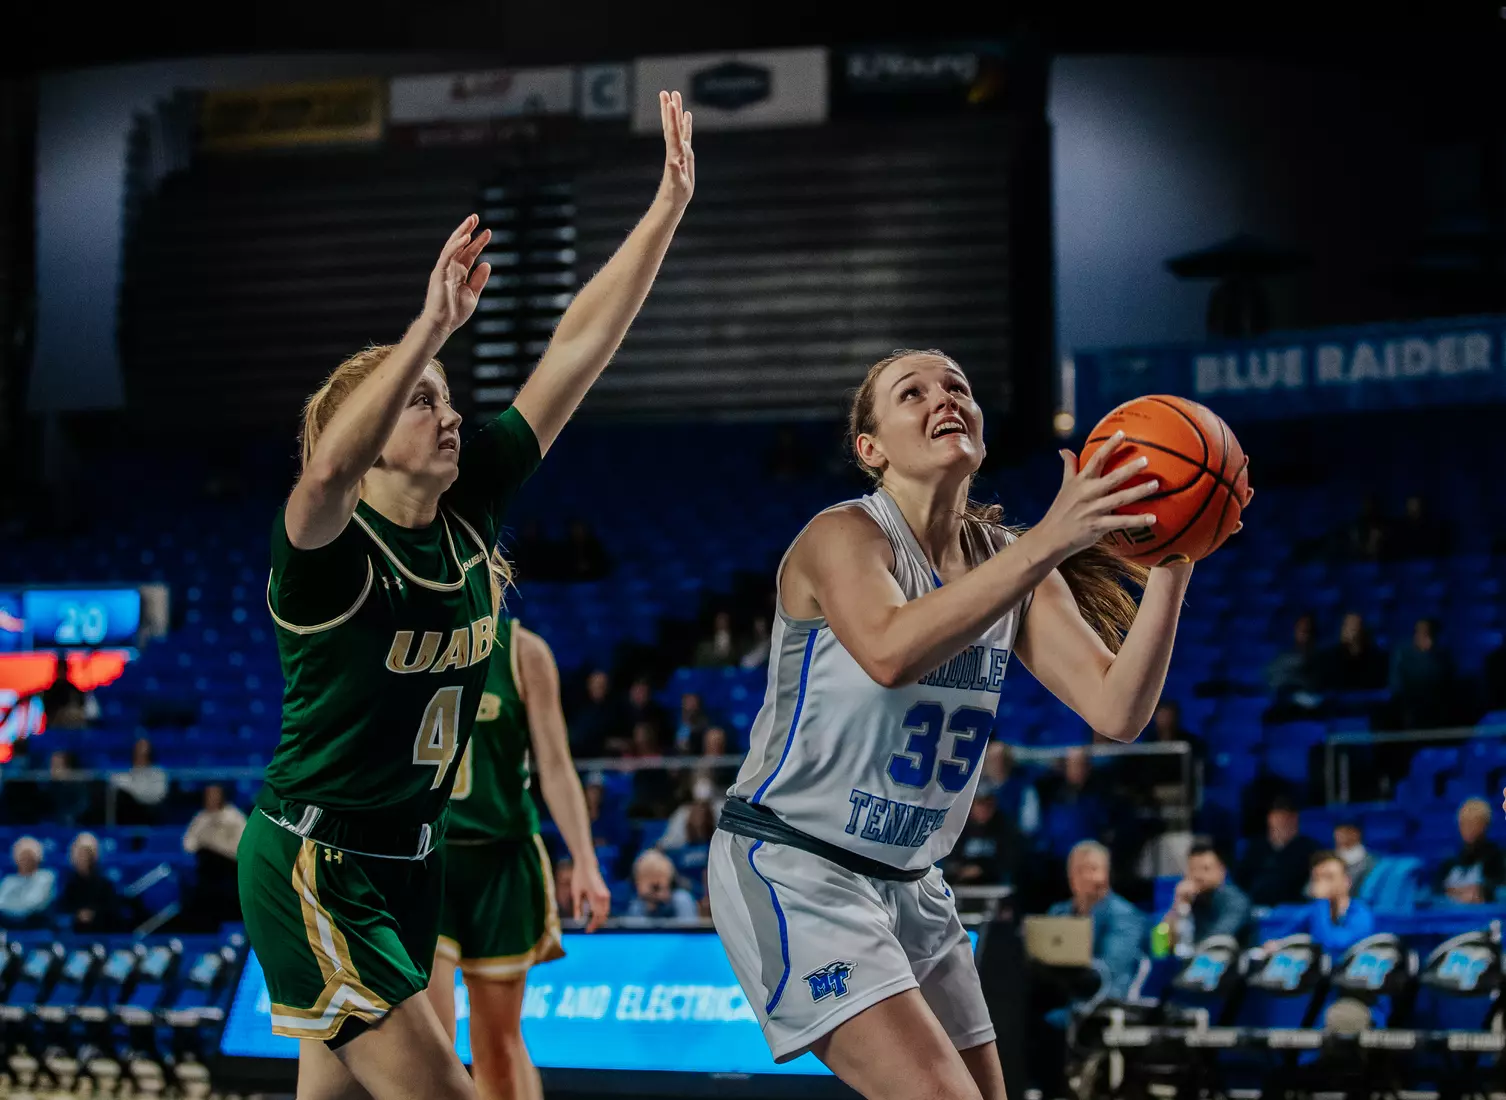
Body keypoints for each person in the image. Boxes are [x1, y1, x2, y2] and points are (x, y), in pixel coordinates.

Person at [237, 89, 693, 1100]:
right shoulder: (327, 549)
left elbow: (575, 350)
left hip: (415, 862)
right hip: (319, 859)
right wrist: (427, 325)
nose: (451, 413)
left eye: (448, 394)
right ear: (366, 429)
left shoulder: (467, 510)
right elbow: (318, 481)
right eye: (421, 400)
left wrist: (664, 210)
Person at [709, 348, 1219, 1100]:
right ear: (871, 449)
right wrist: (1054, 536)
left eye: (957, 386)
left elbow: (1117, 711)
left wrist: (1176, 560)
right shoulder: (843, 536)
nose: (943, 397)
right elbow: (889, 652)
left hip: (911, 884)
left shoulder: (1008, 561)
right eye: (911, 392)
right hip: (797, 866)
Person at [424, 614, 613, 1100]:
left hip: (502, 863)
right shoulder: (406, 636)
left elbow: (555, 765)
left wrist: (585, 862)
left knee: (498, 1051)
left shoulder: (523, 652)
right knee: (431, 1046)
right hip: (425, 861)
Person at [1262, 851, 1375, 957]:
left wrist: (1321, 900)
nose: (1322, 883)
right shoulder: (1312, 910)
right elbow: (1284, 936)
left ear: (1347, 882)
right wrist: (1275, 945)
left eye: (1329, 877)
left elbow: (1330, 946)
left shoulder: (1361, 913)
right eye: (1317, 879)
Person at [1162, 842, 1250, 951]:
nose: (1198, 875)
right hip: (1195, 960)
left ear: (1221, 871)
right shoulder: (1189, 898)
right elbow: (1166, 944)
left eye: (1206, 869)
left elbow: (1217, 941)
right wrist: (1178, 904)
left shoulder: (1237, 901)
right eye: (1193, 869)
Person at [183, 785, 247, 929]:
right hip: (206, 870)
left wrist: (215, 846)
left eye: (214, 795)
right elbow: (188, 845)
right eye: (208, 795)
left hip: (229, 869)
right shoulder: (201, 818)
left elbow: (241, 848)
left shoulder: (234, 817)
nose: (210, 799)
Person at [1237, 798, 1321, 906]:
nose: (1283, 821)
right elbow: (1241, 879)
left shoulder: (1310, 848)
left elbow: (1314, 882)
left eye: (1288, 817)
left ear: (1296, 818)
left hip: (1293, 908)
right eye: (1278, 816)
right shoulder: (1255, 847)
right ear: (1269, 818)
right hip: (1255, 906)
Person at [1436, 798, 1504, 904]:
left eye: (1473, 823)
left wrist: (1482, 892)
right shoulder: (1450, 861)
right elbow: (1436, 891)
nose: (1468, 828)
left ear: (1485, 826)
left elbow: (1499, 890)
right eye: (1464, 823)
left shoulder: (1497, 858)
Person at [59, 832, 124, 933]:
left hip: (101, 931)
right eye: (80, 854)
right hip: (74, 932)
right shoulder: (68, 882)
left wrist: (94, 914)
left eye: (87, 853)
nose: (83, 858)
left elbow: (112, 911)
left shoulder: (105, 883)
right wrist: (77, 915)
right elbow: (63, 909)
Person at [0, 836, 56, 929]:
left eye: (29, 856)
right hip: (8, 924)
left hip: (35, 924)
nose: (26, 861)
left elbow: (34, 904)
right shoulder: (9, 881)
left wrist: (11, 908)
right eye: (22, 856)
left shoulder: (46, 878)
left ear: (37, 858)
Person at [627, 848, 698, 920]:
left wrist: (664, 900)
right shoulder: (637, 907)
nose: (655, 890)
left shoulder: (682, 900)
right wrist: (650, 906)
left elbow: (687, 928)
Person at [111, 737, 168, 825]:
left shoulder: (159, 773)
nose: (141, 756)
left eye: (144, 754)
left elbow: (158, 796)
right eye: (138, 753)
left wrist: (134, 791)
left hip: (151, 811)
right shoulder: (127, 772)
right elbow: (114, 781)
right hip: (130, 811)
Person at [1333, 821, 1378, 892]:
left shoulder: (1372, 861)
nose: (1340, 835)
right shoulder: (1327, 859)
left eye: (1346, 831)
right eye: (1338, 832)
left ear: (1356, 833)